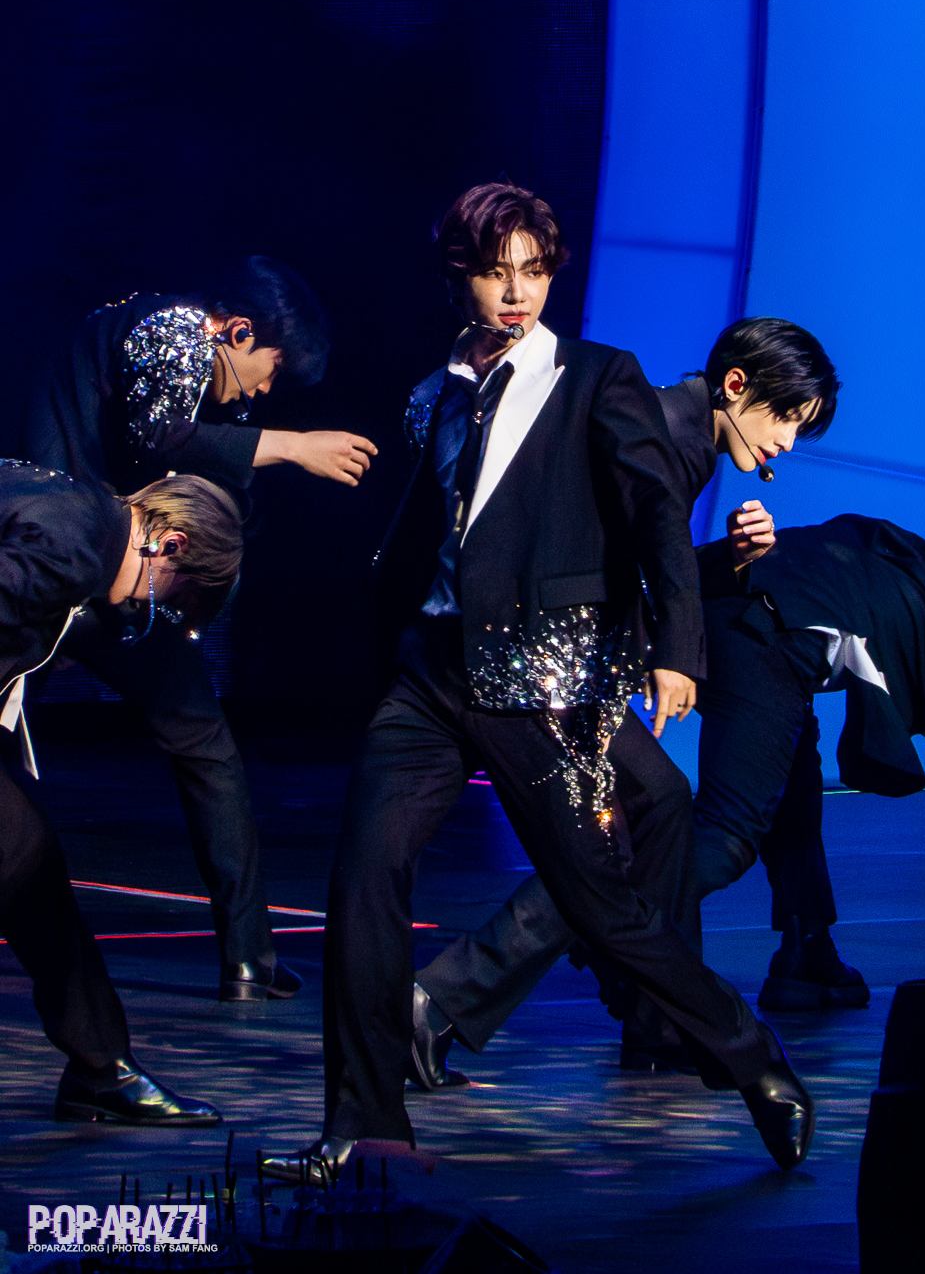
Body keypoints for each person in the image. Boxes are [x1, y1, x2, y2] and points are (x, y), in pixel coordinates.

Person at [262, 184, 815, 1183]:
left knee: (599, 901)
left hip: (540, 684)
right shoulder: (434, 393)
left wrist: (678, 645)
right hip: (430, 675)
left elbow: (652, 518)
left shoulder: (600, 377)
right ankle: (367, 1122)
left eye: (533, 270)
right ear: (459, 280)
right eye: (494, 271)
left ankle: (753, 1058)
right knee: (362, 877)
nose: (516, 291)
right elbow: (436, 529)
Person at [409, 316, 843, 1082]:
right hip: (540, 661)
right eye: (783, 417)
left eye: (797, 429)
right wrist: (673, 655)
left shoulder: (678, 428)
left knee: (661, 807)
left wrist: (723, 560)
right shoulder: (667, 431)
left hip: (550, 653)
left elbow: (623, 560)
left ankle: (655, 1022)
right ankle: (442, 1003)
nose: (783, 442)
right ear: (735, 385)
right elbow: (593, 560)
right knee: (626, 829)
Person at [7, 257, 378, 1000]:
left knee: (206, 747)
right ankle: (248, 957)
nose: (264, 392)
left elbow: (195, 470)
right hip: (61, 565)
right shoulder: (169, 326)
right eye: (271, 369)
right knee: (200, 750)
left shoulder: (180, 362)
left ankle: (249, 956)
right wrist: (291, 445)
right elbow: (166, 438)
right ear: (237, 331)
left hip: (112, 579)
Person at [0, 461, 243, 1124]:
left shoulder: (73, 508)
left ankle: (100, 1066)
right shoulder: (74, 546)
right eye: (175, 599)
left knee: (28, 861)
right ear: (172, 546)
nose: (154, 610)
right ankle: (101, 1066)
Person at [691, 513, 925, 1011]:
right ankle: (581, 915)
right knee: (724, 838)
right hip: (759, 632)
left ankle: (808, 945)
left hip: (728, 607)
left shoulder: (901, 553)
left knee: (792, 760)